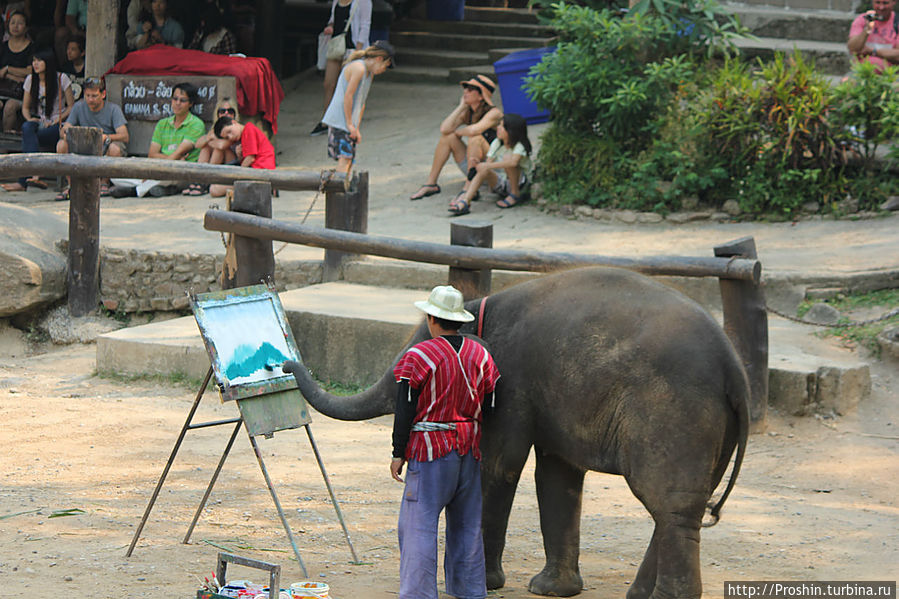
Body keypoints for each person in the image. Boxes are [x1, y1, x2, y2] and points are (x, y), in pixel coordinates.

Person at [390, 284, 500, 599]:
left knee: (419, 526)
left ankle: (419, 593)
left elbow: (405, 407)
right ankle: (469, 591)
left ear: (432, 319)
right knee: (467, 527)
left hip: (429, 451)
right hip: (469, 448)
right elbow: (491, 402)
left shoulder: (419, 355)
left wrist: (399, 452)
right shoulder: (480, 354)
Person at [408, 75, 503, 201]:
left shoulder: (494, 113)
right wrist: (461, 107)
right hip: (474, 166)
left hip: (494, 169)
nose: (465, 92)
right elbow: (445, 129)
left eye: (470, 89)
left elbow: (474, 130)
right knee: (447, 138)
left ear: (481, 96)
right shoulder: (468, 112)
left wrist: (459, 133)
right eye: (465, 88)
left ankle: (468, 188)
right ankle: (431, 184)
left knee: (475, 138)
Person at [1, 49, 72, 192]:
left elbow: (71, 106)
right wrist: (30, 118)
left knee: (29, 138)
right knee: (27, 127)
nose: (35, 64)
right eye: (33, 61)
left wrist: (58, 119)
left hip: (56, 127)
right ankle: (34, 175)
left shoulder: (61, 78)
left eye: (39, 60)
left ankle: (23, 181)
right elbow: (25, 108)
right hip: (40, 125)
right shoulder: (30, 80)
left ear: (48, 62)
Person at [321, 40, 393, 175]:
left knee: (349, 159)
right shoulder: (358, 68)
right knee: (345, 158)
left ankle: (345, 190)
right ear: (378, 59)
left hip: (349, 123)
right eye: (385, 65)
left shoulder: (369, 73)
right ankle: (340, 191)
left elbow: (361, 101)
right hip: (340, 120)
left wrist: (356, 127)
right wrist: (349, 124)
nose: (384, 70)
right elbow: (348, 96)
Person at [55, 76, 128, 200]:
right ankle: (71, 184)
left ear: (103, 94)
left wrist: (106, 137)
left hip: (104, 148)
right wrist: (68, 134)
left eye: (94, 96)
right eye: (87, 96)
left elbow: (125, 136)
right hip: (83, 146)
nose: (90, 100)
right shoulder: (78, 107)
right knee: (61, 144)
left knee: (115, 148)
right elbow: (64, 129)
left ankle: (104, 183)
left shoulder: (113, 109)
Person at [449, 113, 532, 216]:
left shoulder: (519, 146)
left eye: (502, 126)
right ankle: (466, 201)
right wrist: (480, 165)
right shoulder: (497, 143)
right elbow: (488, 164)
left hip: (519, 184)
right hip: (502, 182)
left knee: (508, 160)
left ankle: (515, 194)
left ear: (511, 131)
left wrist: (487, 166)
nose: (498, 128)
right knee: (483, 169)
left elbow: (513, 162)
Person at [310, 0, 371, 136]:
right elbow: (333, 19)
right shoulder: (336, 1)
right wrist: (330, 26)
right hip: (336, 45)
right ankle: (326, 121)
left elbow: (365, 25)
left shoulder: (364, 2)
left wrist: (359, 50)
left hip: (352, 47)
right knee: (328, 84)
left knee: (348, 87)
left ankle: (346, 122)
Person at [139, 81, 204, 196]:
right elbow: (152, 154)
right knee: (121, 174)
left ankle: (137, 190)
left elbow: (179, 152)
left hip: (182, 170)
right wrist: (174, 158)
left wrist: (153, 173)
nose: (177, 103)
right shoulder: (162, 123)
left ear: (190, 103)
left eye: (182, 100)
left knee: (176, 174)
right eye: (175, 99)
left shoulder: (196, 124)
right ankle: (149, 188)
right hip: (161, 166)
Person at [205, 114, 275, 197]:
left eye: (229, 131)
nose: (230, 137)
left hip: (260, 171)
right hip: (255, 171)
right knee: (215, 186)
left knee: (214, 190)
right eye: (227, 137)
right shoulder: (242, 136)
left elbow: (250, 159)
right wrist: (240, 157)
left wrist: (236, 174)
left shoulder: (249, 129)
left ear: (234, 122)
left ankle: (259, 188)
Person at [182, 96, 239, 196]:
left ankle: (205, 182)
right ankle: (199, 181)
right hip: (218, 165)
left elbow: (222, 145)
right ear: (217, 114)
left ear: (235, 114)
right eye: (222, 111)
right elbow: (198, 145)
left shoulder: (234, 128)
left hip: (232, 165)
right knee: (205, 148)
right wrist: (209, 138)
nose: (226, 114)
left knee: (218, 149)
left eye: (230, 111)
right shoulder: (215, 129)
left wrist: (211, 140)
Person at [0, 10, 32, 132]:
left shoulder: (32, 48)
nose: (15, 26)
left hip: (23, 93)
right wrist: (16, 76)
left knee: (10, 107)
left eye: (20, 23)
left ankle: (6, 147)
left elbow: (30, 72)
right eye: (12, 23)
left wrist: (8, 70)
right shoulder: (3, 47)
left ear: (26, 27)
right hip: (3, 89)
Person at [847, 0, 899, 69]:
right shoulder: (862, 19)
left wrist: (872, 51)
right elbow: (853, 49)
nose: (881, 7)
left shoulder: (897, 22)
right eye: (877, 3)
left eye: (885, 3)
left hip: (889, 75)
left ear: (894, 2)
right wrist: (867, 30)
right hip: (861, 72)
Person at [54, 0, 86, 68]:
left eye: (71, 50)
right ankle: (64, 67)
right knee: (61, 34)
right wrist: (76, 31)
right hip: (81, 30)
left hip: (99, 30)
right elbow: (69, 18)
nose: (69, 51)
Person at [59, 32, 83, 101]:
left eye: (73, 49)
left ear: (82, 52)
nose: (68, 52)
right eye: (68, 49)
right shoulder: (65, 68)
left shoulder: (88, 68)